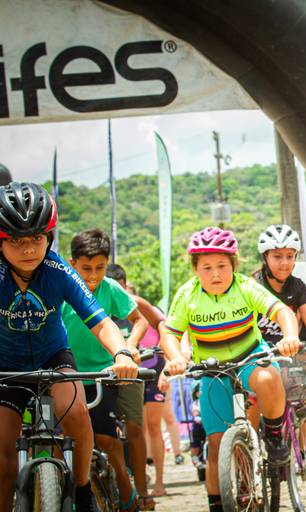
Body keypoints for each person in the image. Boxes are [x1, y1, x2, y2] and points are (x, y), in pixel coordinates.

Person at [0, 182, 138, 512]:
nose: (28, 249)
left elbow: (101, 321)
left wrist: (122, 353)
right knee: (3, 462)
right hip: (6, 367)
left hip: (53, 357)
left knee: (76, 413)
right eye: (16, 241)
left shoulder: (59, 270)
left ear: (49, 237)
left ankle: (83, 489)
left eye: (36, 238)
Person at [159, 227, 301, 512]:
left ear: (233, 265)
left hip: (249, 357)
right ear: (195, 269)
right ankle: (216, 505)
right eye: (207, 267)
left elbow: (282, 311)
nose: (215, 274)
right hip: (213, 370)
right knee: (215, 443)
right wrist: (174, 357)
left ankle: (274, 435)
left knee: (268, 376)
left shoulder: (245, 286)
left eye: (222, 266)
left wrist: (289, 335)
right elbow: (169, 333)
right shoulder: (187, 294)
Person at [62, 230, 150, 510]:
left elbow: (140, 320)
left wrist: (130, 346)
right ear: (72, 263)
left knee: (107, 441)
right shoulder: (62, 287)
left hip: (103, 374)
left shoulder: (110, 288)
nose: (93, 276)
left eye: (99, 268)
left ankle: (128, 496)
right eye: (86, 268)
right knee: (62, 441)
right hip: (66, 375)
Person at [107, 263, 184, 498]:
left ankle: (156, 483)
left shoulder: (135, 303)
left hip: (148, 370)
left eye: (121, 289)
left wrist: (167, 360)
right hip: (110, 372)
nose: (117, 294)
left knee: (149, 426)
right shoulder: (94, 300)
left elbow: (165, 325)